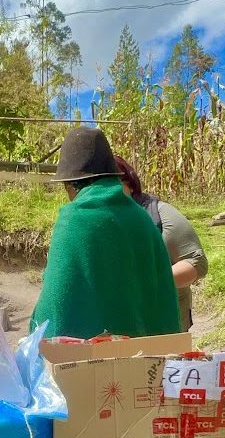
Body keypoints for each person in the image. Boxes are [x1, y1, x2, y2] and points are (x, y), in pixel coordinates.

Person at [31, 127, 180, 339]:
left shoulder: (74, 219)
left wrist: (35, 337)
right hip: (150, 360)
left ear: (71, 185)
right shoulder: (141, 218)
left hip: (91, 365)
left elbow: (55, 304)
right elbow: (162, 300)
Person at [114, 155, 208, 332]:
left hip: (165, 322)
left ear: (130, 184)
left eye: (113, 186)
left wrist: (145, 283)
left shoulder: (159, 214)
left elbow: (197, 263)